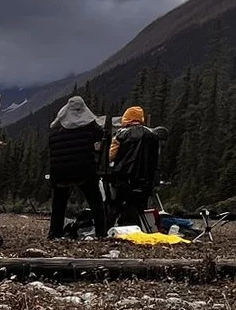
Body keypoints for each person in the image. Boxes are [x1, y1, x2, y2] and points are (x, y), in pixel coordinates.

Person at [46, 96, 108, 239]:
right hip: (84, 170)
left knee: (59, 203)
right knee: (95, 201)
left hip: (59, 173)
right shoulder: (89, 128)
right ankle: (101, 233)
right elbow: (100, 134)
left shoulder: (56, 130)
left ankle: (54, 233)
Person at [107, 105, 161, 230]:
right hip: (145, 179)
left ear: (127, 118)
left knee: (115, 204)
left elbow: (111, 156)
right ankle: (138, 230)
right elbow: (156, 158)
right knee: (139, 206)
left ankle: (106, 230)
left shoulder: (120, 134)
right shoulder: (153, 135)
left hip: (122, 177)